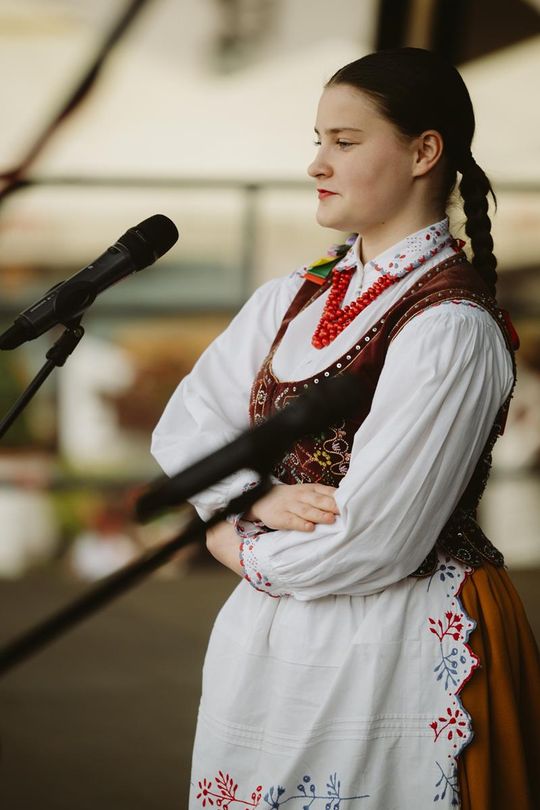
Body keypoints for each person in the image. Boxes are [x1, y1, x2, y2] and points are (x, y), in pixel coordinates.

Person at [152, 48, 540, 809]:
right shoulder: (289, 298)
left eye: (345, 141)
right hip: (276, 647)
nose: (316, 164)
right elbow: (186, 426)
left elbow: (373, 541)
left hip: (402, 639)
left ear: (425, 151)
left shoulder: (450, 327)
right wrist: (254, 498)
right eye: (317, 140)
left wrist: (230, 540)